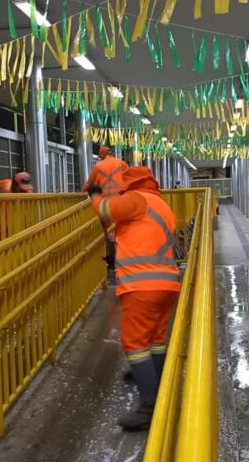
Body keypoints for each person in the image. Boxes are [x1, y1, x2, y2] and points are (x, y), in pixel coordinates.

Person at [87, 166, 181, 431]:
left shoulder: (138, 199)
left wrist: (94, 195)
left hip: (142, 285)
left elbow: (106, 210)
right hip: (166, 283)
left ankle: (149, 406)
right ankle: (158, 385)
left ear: (132, 184)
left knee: (135, 344)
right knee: (154, 340)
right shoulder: (160, 204)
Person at [83, 147, 129, 269]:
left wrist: (81, 194)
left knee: (109, 232)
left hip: (105, 203)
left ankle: (112, 258)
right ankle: (122, 257)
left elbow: (88, 185)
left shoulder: (98, 166)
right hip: (121, 201)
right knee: (121, 230)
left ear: (101, 155)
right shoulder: (121, 163)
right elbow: (129, 179)